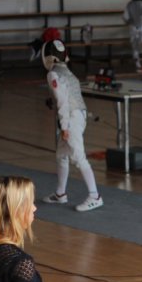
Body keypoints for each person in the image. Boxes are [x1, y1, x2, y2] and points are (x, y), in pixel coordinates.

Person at [39, 40, 103, 212]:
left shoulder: (53, 74)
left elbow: (63, 102)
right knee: (62, 154)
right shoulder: (68, 72)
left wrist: (65, 126)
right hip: (77, 115)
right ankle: (60, 193)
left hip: (71, 118)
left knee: (78, 157)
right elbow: (65, 96)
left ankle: (95, 196)